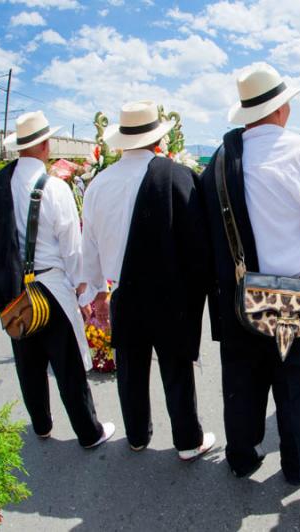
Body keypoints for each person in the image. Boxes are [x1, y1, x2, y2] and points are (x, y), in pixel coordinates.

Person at [199, 64, 300, 485]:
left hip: (241, 293)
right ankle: (298, 465)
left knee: (243, 383)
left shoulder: (222, 160)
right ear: (281, 108)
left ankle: (242, 456)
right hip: (297, 292)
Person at [0, 110, 114, 449]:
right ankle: (88, 432)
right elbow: (71, 247)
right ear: (45, 145)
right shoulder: (55, 188)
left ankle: (42, 426)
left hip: (15, 294)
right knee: (67, 365)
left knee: (28, 363)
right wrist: (84, 291)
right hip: (51, 288)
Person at [78, 100, 215, 460]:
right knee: (176, 367)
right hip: (169, 292)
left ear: (122, 141)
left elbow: (87, 245)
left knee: (131, 368)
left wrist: (95, 292)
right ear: (159, 140)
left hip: (122, 291)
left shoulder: (97, 185)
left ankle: (137, 435)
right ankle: (188, 441)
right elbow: (198, 243)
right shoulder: (177, 176)